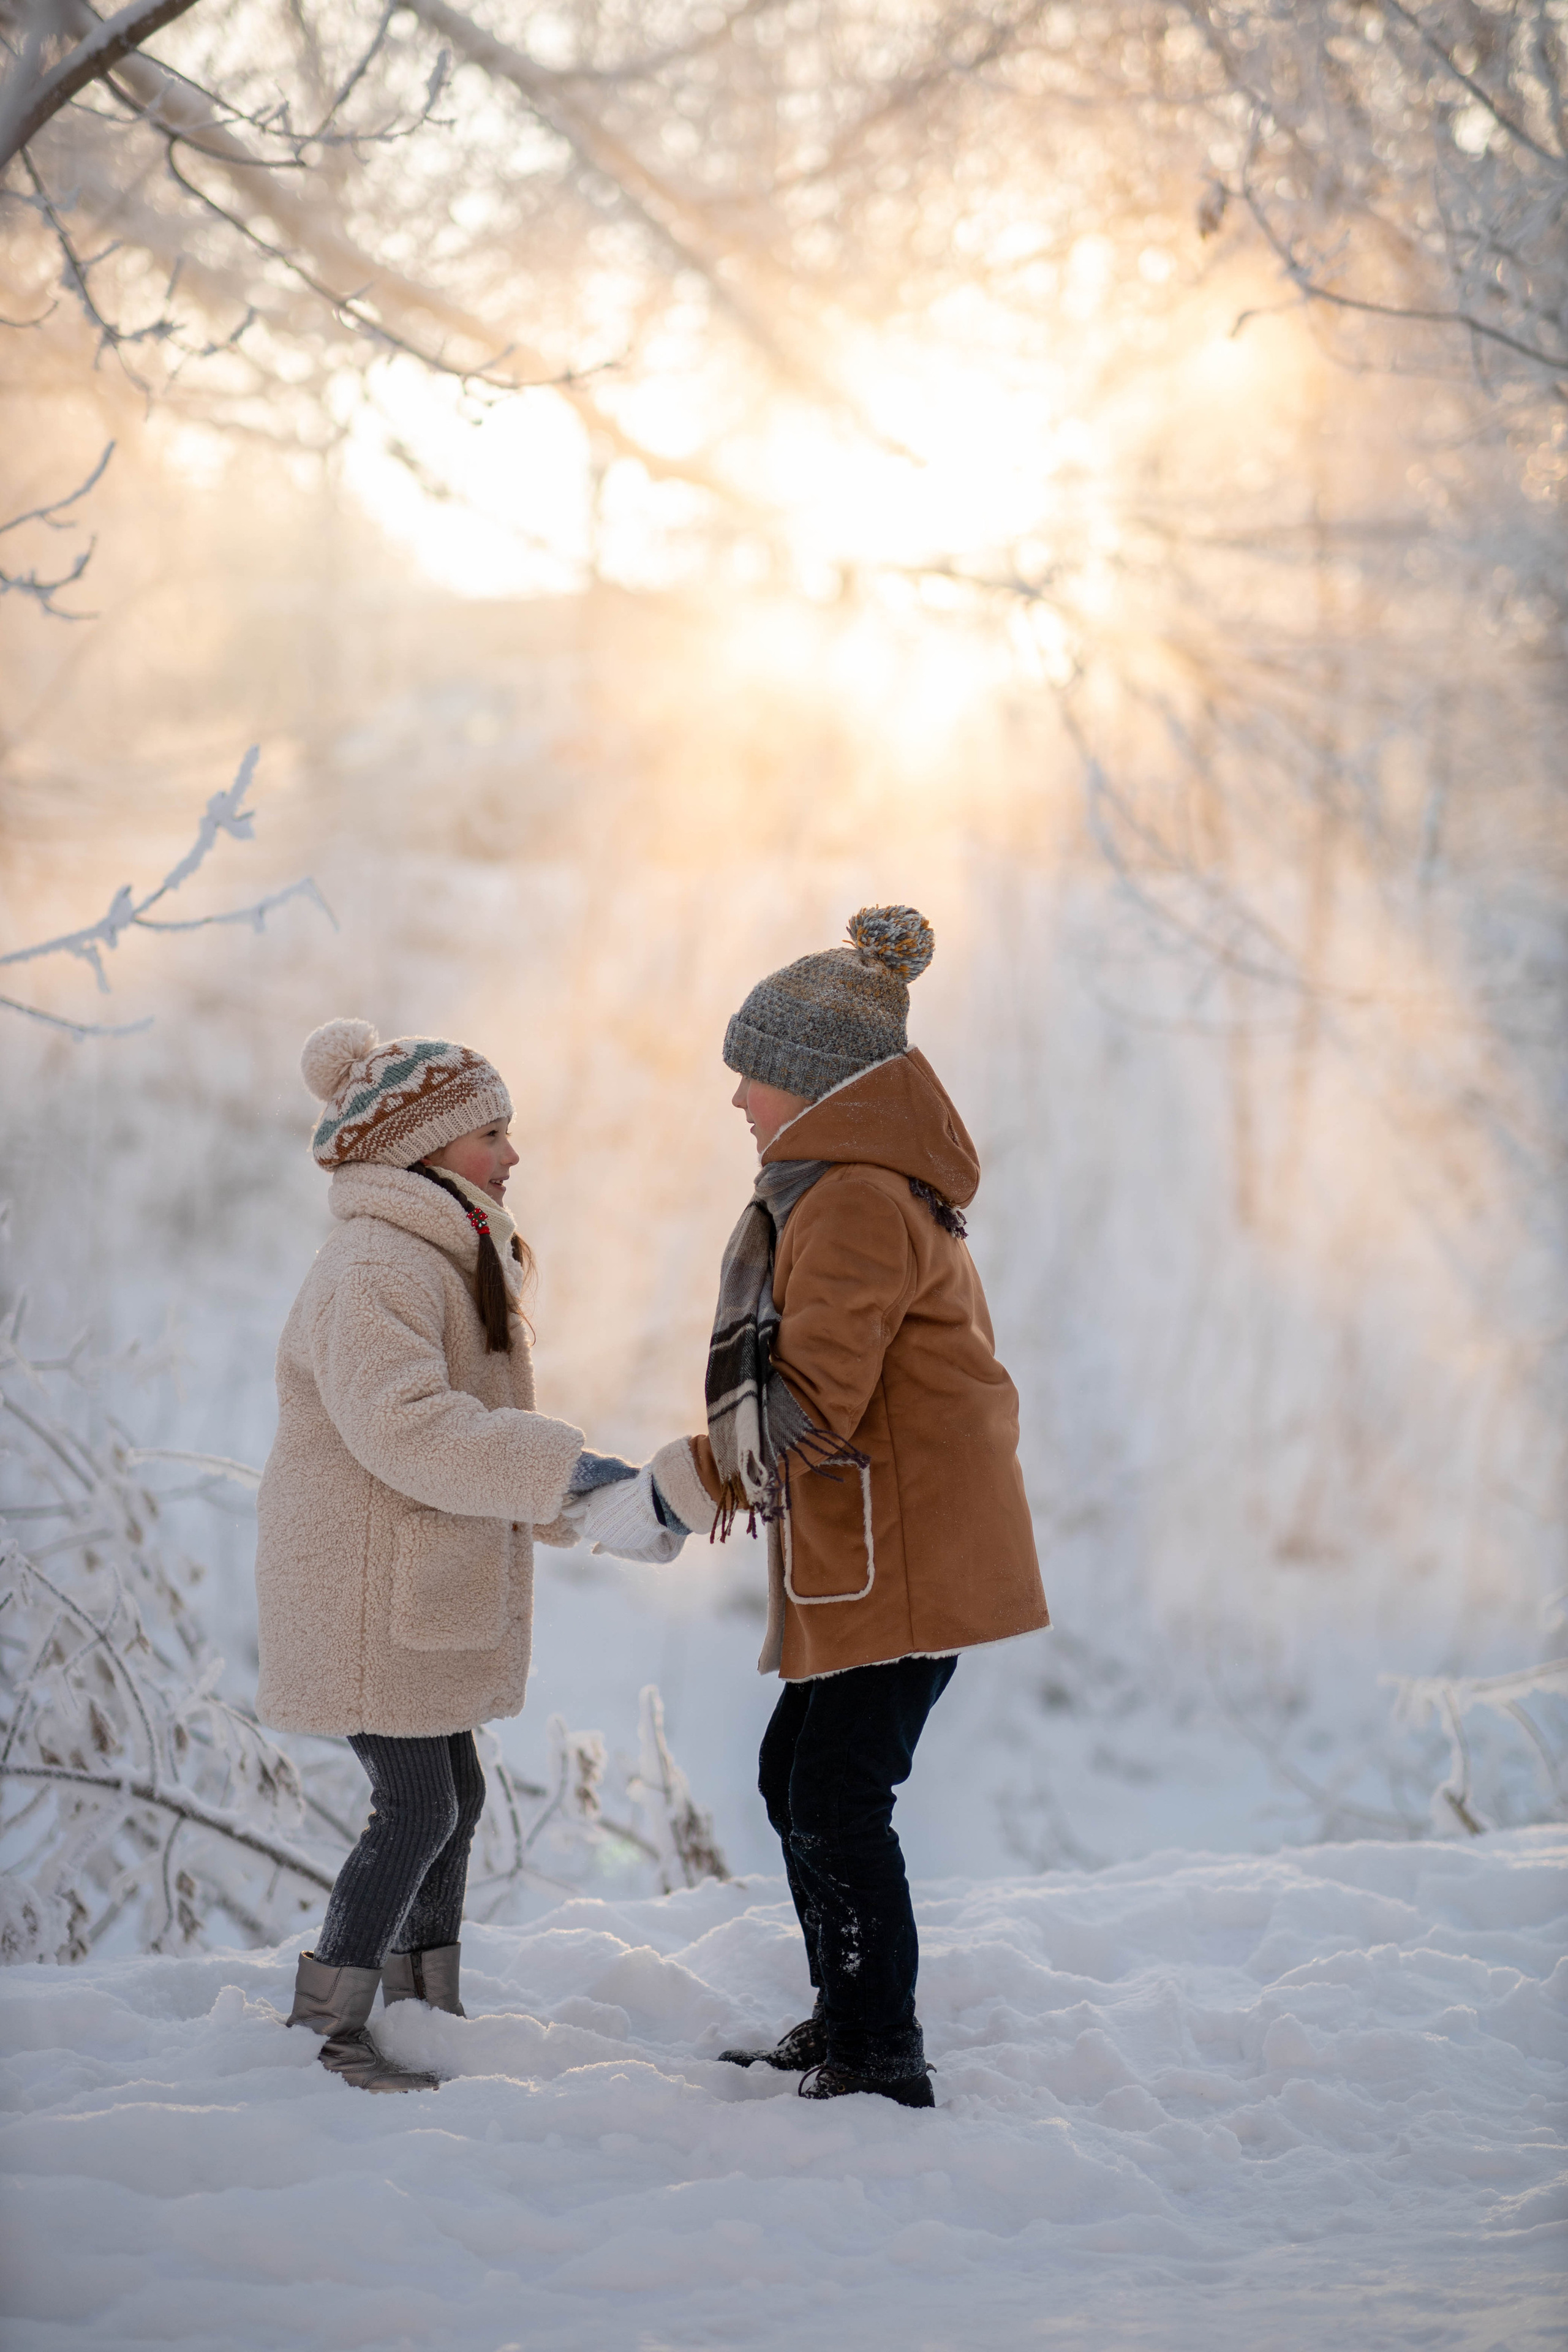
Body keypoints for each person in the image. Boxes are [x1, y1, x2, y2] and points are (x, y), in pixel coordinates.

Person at [255, 1019, 692, 2094]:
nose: (511, 1153)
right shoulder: (374, 1265)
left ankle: (424, 2010)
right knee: (419, 1806)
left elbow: (467, 1431)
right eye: (491, 1132)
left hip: (416, 1581)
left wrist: (585, 1507)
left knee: (453, 1796)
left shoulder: (443, 1251)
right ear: (422, 1147)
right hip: (364, 1589)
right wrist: (573, 1478)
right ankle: (328, 2028)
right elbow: (409, 1429)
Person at [666, 905, 1050, 2107]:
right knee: (800, 1778)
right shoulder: (855, 1187)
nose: (737, 1099)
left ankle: (876, 2051)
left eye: (753, 1074)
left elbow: (817, 1402)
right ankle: (848, 2019)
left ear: (810, 1082)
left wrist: (677, 1490)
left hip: (906, 1552)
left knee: (831, 1795)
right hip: (889, 1544)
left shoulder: (850, 1199)